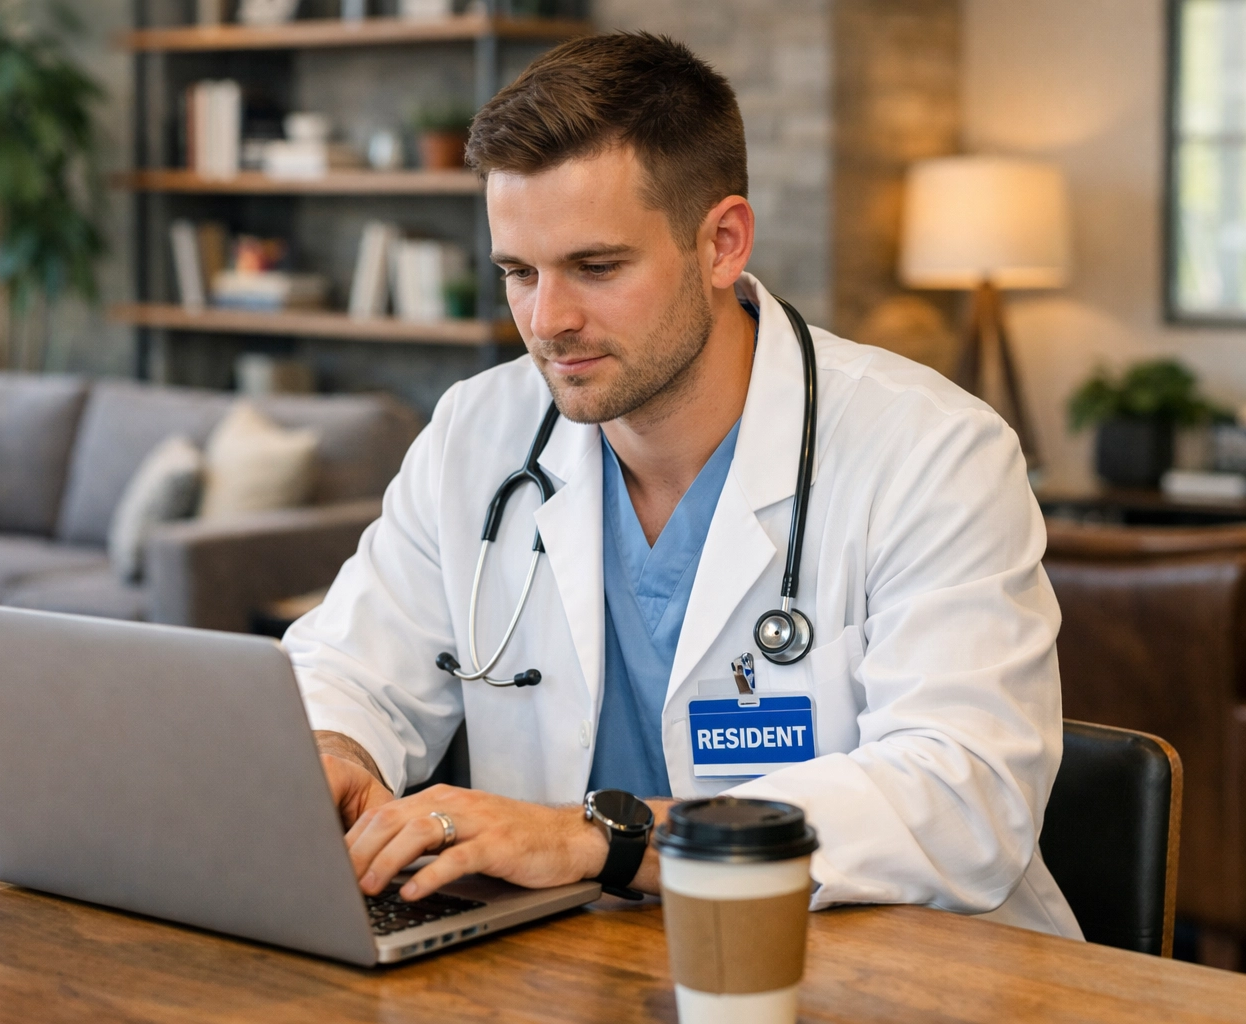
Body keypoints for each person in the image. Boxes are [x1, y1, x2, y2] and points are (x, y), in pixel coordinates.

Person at [284, 31, 1080, 938]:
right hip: (580, 970)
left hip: (897, 977)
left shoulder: (934, 451)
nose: (548, 322)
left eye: (596, 267)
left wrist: (599, 839)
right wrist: (332, 746)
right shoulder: (479, 432)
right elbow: (347, 666)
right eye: (518, 273)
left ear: (722, 243)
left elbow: (965, 794)